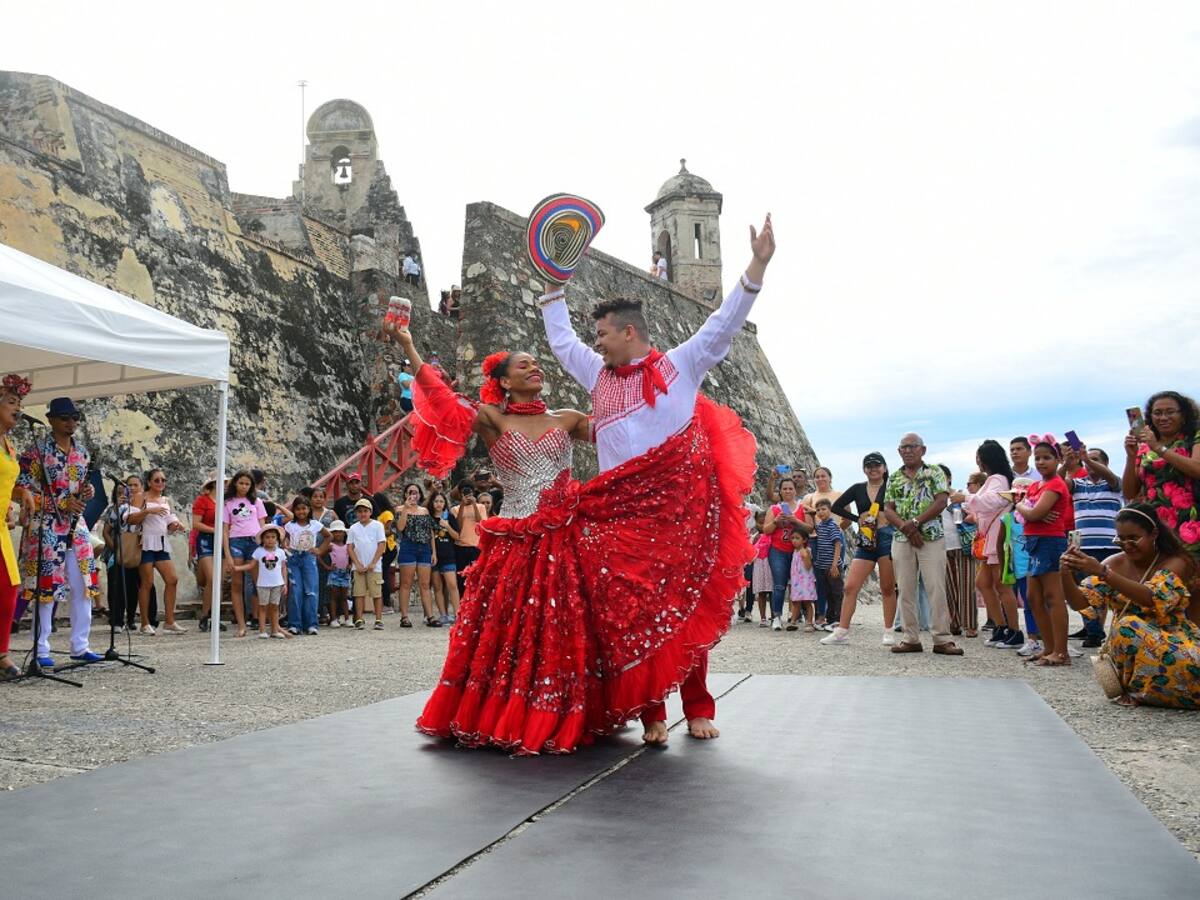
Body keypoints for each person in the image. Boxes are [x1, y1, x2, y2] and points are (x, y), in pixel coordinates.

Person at [539, 212, 772, 742]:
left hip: (678, 516)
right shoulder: (597, 374)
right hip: (620, 519)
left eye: (602, 334)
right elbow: (562, 343)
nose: (596, 343)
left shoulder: (681, 365)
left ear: (629, 332)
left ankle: (698, 707)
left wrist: (756, 265)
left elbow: (724, 322)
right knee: (632, 615)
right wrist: (553, 291)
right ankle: (652, 714)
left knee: (683, 610)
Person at [1062, 504, 1198, 707]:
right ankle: (1139, 689)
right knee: (1127, 626)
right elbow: (1080, 603)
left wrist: (1104, 573)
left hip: (1174, 639)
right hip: (1127, 646)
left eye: (1133, 538)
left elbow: (1151, 598)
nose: (1126, 545)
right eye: (1121, 539)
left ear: (1154, 534)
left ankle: (1156, 693)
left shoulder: (1176, 562)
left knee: (1190, 666)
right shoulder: (1114, 563)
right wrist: (1064, 572)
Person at [18, 396, 102, 667]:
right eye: (65, 418)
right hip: (46, 525)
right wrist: (61, 502)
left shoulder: (83, 453)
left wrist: (86, 493)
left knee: (83, 584)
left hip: (76, 526)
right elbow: (21, 491)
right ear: (51, 420)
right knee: (46, 586)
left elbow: (80, 489)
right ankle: (41, 649)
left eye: (75, 418)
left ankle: (81, 645)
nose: (71, 422)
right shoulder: (36, 452)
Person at [883, 433, 963, 655]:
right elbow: (888, 508)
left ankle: (942, 639)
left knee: (935, 587)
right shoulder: (894, 478)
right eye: (904, 447)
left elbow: (941, 500)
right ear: (899, 451)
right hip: (902, 538)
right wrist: (906, 527)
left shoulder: (934, 472)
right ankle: (910, 638)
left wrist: (916, 523)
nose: (908, 451)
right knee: (905, 588)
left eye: (913, 446)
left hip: (931, 537)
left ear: (923, 450)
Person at [823, 452, 898, 646]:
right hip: (866, 537)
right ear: (864, 469)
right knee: (850, 586)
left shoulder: (892, 486)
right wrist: (858, 519)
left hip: (887, 536)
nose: (873, 469)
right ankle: (841, 631)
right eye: (869, 466)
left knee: (887, 587)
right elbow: (836, 507)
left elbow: (903, 508)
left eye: (877, 465)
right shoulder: (858, 488)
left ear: (884, 468)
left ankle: (889, 630)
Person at [1122, 391, 1200, 569]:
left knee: (1192, 576)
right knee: (1161, 580)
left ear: (1183, 415)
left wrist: (1158, 447)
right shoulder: (1144, 447)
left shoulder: (1194, 436)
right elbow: (1129, 492)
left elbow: (1197, 469)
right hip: (1157, 526)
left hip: (1191, 522)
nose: (1163, 417)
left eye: (1170, 412)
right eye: (1157, 413)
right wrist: (1131, 457)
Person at [1015, 439, 1073, 665]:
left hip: (1050, 542)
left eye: (1047, 457)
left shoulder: (1056, 484)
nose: (1041, 462)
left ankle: (1061, 652)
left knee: (1053, 596)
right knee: (1033, 597)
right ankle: (1049, 647)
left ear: (1058, 460)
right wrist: (1028, 510)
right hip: (1034, 542)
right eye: (1038, 458)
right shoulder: (1036, 486)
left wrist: (1020, 505)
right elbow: (1027, 514)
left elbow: (1031, 513)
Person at [1062, 443, 1122, 648]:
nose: (1090, 463)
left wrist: (1086, 458)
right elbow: (1057, 484)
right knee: (1085, 591)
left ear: (1106, 463)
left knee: (1109, 592)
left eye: (1096, 459)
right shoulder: (1078, 484)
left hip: (1111, 547)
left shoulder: (1113, 482)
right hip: (1084, 547)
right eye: (1088, 460)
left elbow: (1111, 478)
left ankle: (1113, 632)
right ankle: (1094, 632)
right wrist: (1066, 464)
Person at [965, 441, 1023, 650]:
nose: (977, 461)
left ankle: (1014, 631)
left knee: (1001, 585)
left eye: (979, 457)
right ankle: (1001, 626)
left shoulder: (997, 479)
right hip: (991, 537)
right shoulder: (998, 479)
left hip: (997, 537)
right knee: (983, 583)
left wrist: (965, 497)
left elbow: (991, 502)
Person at [0, 374, 35, 679]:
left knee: (10, 588)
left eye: (19, 404)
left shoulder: (8, 446)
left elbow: (6, 484)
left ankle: (1, 652)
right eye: (12, 402)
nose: (18, 409)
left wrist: (21, 494)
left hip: (0, 528)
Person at [124, 468, 187, 634]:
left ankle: (169, 621)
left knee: (172, 579)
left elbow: (169, 520)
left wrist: (175, 525)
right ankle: (145, 623)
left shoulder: (165, 499)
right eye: (157, 480)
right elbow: (130, 519)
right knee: (147, 583)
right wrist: (147, 511)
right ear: (149, 482)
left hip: (161, 543)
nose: (161, 483)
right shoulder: (141, 496)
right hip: (144, 543)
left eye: (163, 480)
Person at [102, 474, 159, 634]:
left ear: (142, 487)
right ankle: (117, 621)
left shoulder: (147, 505)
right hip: (118, 551)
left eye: (136, 485)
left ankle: (141, 619)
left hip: (140, 551)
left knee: (143, 584)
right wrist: (116, 549)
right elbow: (106, 532)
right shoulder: (116, 507)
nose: (132, 488)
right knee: (117, 586)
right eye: (129, 485)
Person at [222, 470, 267, 637]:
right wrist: (227, 554)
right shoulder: (228, 503)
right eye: (241, 483)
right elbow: (225, 529)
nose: (244, 486)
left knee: (259, 583)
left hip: (254, 541)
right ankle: (241, 625)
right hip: (236, 541)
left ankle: (262, 623)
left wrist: (265, 548)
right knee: (236, 583)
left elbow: (263, 526)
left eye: (247, 484)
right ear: (235, 483)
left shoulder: (257, 501)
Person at [231, 524, 289, 639]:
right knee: (262, 607)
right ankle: (262, 630)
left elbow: (283, 568)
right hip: (263, 584)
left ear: (277, 538)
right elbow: (251, 565)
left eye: (273, 537)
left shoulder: (281, 552)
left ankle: (274, 630)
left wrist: (285, 583)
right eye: (267, 537)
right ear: (262, 539)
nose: (270, 540)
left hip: (277, 583)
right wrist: (238, 568)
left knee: (275, 606)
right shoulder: (259, 551)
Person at [762, 477, 805, 632]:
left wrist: (795, 520)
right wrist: (776, 521)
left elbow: (809, 528)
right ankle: (776, 616)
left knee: (798, 584)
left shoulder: (802, 508)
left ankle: (796, 616)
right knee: (779, 584)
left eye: (790, 488)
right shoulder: (774, 509)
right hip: (778, 550)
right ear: (780, 491)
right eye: (784, 488)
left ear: (795, 491)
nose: (787, 491)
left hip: (797, 552)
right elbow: (766, 530)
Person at [939, 465, 977, 637]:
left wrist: (961, 508)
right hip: (942, 546)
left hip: (963, 545)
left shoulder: (960, 495)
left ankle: (970, 625)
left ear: (949, 478)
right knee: (948, 587)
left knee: (967, 585)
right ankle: (953, 622)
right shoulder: (932, 499)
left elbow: (974, 516)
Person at [284, 496, 329, 636]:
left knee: (311, 590)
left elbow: (329, 536)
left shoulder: (315, 524)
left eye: (304, 508)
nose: (301, 512)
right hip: (293, 558)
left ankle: (311, 624)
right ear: (294, 510)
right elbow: (284, 538)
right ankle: (295, 624)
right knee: (295, 590)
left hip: (309, 558)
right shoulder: (289, 525)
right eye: (298, 509)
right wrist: (285, 545)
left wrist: (320, 550)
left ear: (309, 509)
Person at [395, 482, 436, 629]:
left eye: (416, 492)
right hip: (408, 546)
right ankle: (404, 617)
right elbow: (400, 528)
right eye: (410, 492)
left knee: (425, 584)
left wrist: (433, 551)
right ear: (405, 494)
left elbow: (430, 531)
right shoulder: (400, 509)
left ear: (419, 495)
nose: (413, 495)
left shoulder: (424, 511)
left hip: (424, 547)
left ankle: (430, 616)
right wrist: (406, 509)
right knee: (406, 583)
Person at [347, 498, 386, 629]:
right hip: (358, 566)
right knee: (359, 593)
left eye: (365, 511)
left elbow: (381, 544)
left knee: (376, 593)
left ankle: (378, 619)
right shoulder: (353, 528)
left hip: (374, 566)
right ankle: (359, 618)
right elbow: (350, 547)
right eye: (359, 511)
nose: (362, 514)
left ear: (370, 512)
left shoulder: (377, 525)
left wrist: (373, 562)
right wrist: (357, 564)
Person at [192, 475, 222, 632]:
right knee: (212, 577)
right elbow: (196, 523)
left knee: (219, 580)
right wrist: (215, 530)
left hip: (222, 540)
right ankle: (205, 614)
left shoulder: (226, 501)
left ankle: (214, 615)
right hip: (206, 539)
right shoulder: (202, 500)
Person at [812, 498, 845, 631]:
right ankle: (829, 619)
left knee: (836, 593)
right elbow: (814, 529)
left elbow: (838, 544)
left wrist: (834, 564)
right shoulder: (820, 526)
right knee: (827, 593)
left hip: (832, 566)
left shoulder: (832, 526)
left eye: (824, 509)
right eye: (818, 510)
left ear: (830, 510)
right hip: (822, 565)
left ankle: (837, 620)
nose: (821, 512)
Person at [429, 490, 460, 625]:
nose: (438, 504)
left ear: (445, 503)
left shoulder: (450, 517)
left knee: (452, 585)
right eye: (436, 501)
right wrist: (433, 553)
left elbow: (457, 536)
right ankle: (443, 614)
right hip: (434, 556)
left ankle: (457, 613)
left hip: (448, 554)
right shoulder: (429, 518)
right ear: (432, 503)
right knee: (437, 586)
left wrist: (447, 526)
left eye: (441, 501)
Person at [450, 481, 484, 597]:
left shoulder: (480, 507)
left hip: (476, 546)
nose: (467, 495)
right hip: (460, 546)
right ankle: (462, 600)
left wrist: (474, 505)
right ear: (460, 494)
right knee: (461, 578)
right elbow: (458, 526)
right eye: (464, 492)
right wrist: (462, 506)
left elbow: (481, 523)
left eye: (469, 492)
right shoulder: (455, 509)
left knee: (476, 577)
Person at [319, 521, 352, 627]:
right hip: (334, 572)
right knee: (334, 596)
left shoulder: (347, 546)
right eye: (335, 532)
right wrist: (327, 567)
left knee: (344, 597)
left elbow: (351, 556)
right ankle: (333, 619)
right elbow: (319, 555)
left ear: (344, 533)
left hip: (345, 573)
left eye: (340, 532)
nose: (338, 534)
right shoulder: (330, 546)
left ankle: (347, 618)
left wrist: (350, 564)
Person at [787, 530, 818, 630]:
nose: (794, 541)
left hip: (805, 582)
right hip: (796, 582)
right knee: (796, 602)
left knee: (807, 602)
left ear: (804, 540)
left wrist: (806, 557)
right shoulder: (795, 552)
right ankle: (793, 621)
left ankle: (809, 622)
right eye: (792, 538)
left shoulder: (806, 551)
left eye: (797, 538)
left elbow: (808, 566)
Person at [375, 491, 398, 612]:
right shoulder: (380, 515)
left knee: (384, 574)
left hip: (388, 547)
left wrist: (375, 533)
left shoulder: (387, 514)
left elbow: (390, 530)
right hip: (382, 547)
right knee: (382, 573)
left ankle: (387, 602)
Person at [750, 511, 773, 626]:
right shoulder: (754, 537)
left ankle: (774, 616)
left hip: (770, 565)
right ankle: (763, 617)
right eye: (760, 523)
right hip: (759, 566)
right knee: (761, 593)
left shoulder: (773, 536)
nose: (763, 525)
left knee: (772, 592)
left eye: (765, 523)